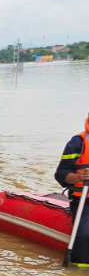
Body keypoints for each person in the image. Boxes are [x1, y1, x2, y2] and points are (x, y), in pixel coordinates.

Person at [55, 114, 89, 267]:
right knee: (84, 236)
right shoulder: (78, 142)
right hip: (84, 200)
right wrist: (79, 177)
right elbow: (61, 173)